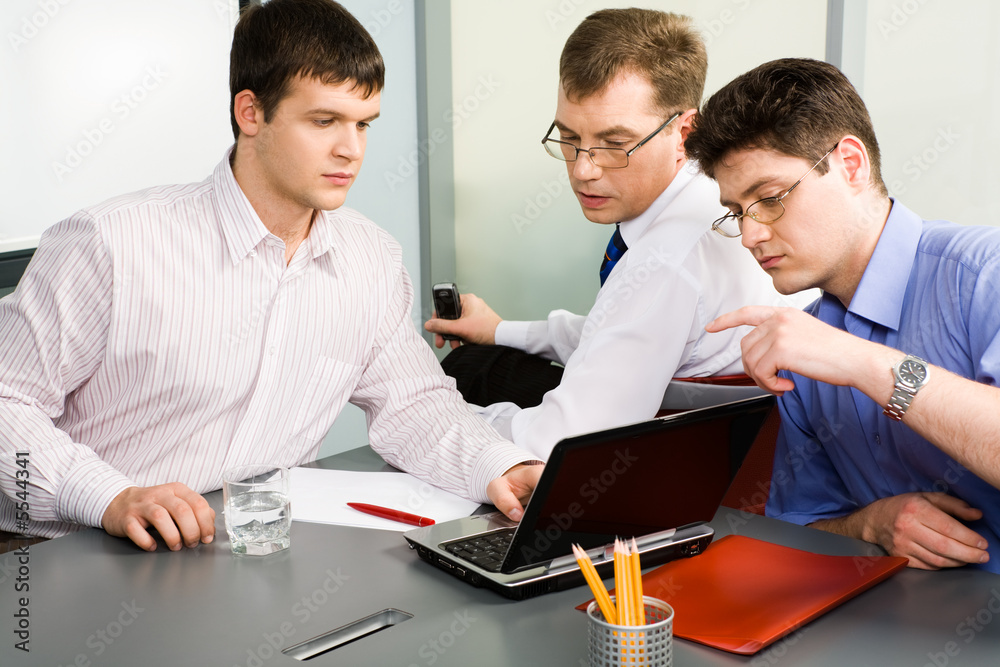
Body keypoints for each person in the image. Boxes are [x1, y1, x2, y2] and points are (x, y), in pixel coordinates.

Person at [0, 0, 541, 555]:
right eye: (324, 121)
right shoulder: (109, 242)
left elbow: (413, 404)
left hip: (252, 551)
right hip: (75, 552)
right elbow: (7, 404)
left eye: (363, 124)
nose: (350, 150)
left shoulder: (370, 257)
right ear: (251, 113)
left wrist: (499, 465)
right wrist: (110, 496)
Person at [425, 9, 809, 460]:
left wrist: (427, 419)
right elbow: (617, 330)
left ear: (684, 132)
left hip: (672, 453)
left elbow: (560, 442)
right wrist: (500, 329)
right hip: (706, 421)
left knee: (467, 375)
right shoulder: (713, 194)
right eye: (569, 138)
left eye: (613, 144)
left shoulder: (666, 260)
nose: (584, 169)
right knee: (486, 356)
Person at [687, 57, 1000, 573]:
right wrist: (868, 524)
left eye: (769, 198)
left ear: (851, 164)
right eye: (737, 211)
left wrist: (866, 364)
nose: (750, 235)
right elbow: (800, 525)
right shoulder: (807, 342)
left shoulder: (982, 275)